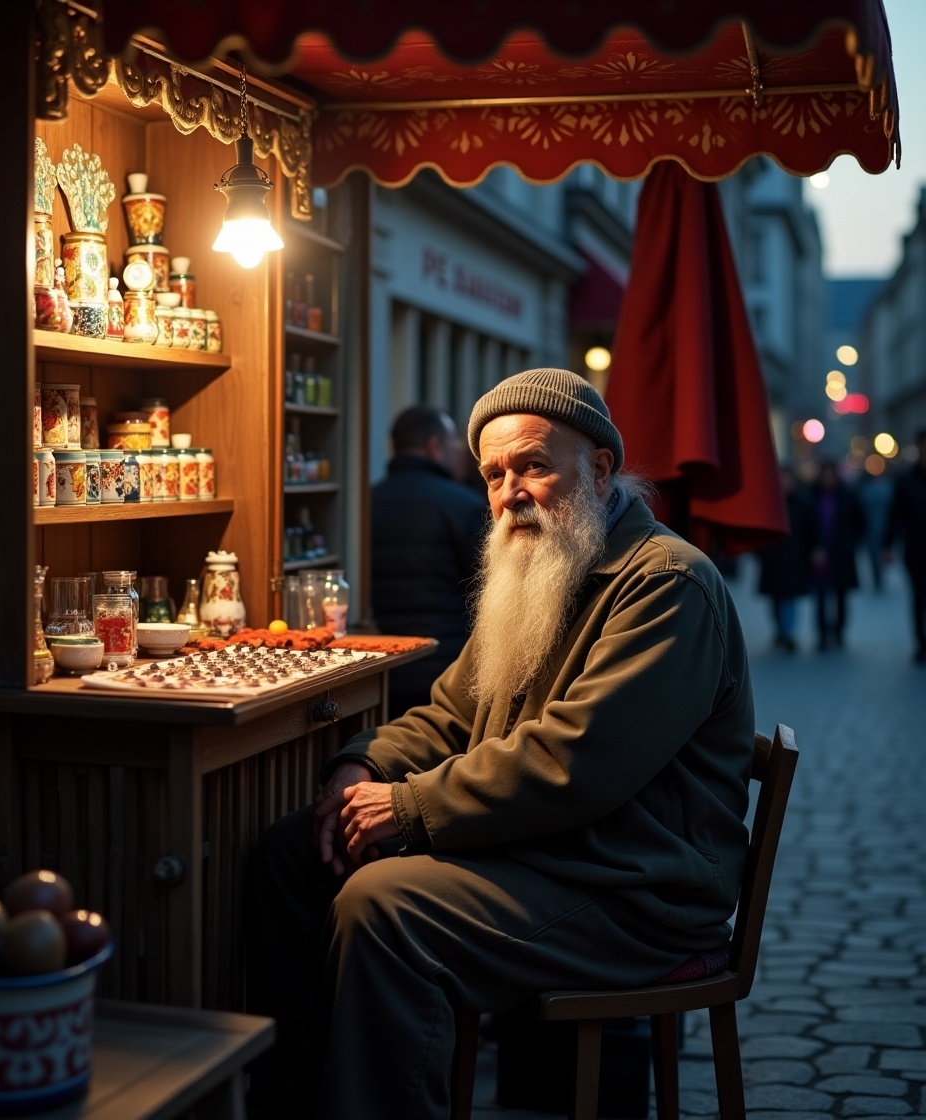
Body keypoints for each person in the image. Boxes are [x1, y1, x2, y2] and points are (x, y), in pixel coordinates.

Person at [245, 368, 755, 1120]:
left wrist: (407, 806)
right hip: (551, 852)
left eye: (534, 466)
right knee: (291, 857)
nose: (510, 492)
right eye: (493, 474)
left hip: (633, 889)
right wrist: (366, 762)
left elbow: (576, 763)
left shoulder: (668, 584)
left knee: (385, 908)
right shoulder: (539, 565)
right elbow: (452, 714)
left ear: (600, 469)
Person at [370, 404, 488, 716]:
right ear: (435, 446)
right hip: (447, 669)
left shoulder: (366, 502)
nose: (459, 451)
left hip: (380, 668)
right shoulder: (464, 505)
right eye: (454, 443)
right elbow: (485, 592)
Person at [756, 465, 816, 652]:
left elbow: (811, 530)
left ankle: (788, 633)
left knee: (789, 598)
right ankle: (781, 631)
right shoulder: (768, 503)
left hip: (794, 558)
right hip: (772, 558)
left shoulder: (802, 503)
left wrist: (812, 551)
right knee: (775, 598)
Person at [809, 460, 866, 650]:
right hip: (819, 555)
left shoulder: (847, 495)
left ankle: (839, 632)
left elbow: (860, 522)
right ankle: (823, 635)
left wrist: (851, 542)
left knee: (841, 596)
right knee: (820, 597)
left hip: (841, 555)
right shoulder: (812, 496)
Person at [883, 429, 926, 662]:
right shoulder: (907, 481)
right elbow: (895, 515)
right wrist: (887, 546)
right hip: (916, 550)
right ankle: (921, 642)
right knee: (919, 597)